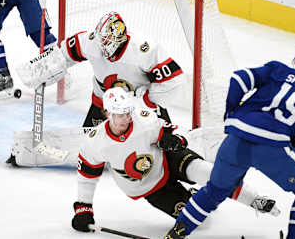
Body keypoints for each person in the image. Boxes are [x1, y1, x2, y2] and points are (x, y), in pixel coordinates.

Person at [164, 45, 295, 239]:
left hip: (236, 138)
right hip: (274, 148)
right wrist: (272, 158)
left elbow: (239, 78)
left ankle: (176, 233)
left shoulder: (277, 69)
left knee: (214, 191)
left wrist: (231, 113)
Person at [71, 87, 280, 233]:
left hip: (166, 159)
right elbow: (87, 176)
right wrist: (83, 208)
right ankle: (193, 196)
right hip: (149, 188)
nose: (126, 118)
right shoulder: (95, 141)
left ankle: (254, 199)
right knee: (199, 220)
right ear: (107, 113)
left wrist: (175, 139)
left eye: (127, 112)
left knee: (204, 171)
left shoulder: (143, 119)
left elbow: (171, 132)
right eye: (120, 115)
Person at [17, 11, 184, 126]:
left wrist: (147, 100)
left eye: (107, 41)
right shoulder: (89, 41)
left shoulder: (143, 49)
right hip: (103, 103)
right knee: (90, 146)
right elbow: (62, 55)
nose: (102, 45)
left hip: (140, 105)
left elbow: (173, 81)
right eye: (101, 39)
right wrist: (41, 69)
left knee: (165, 144)